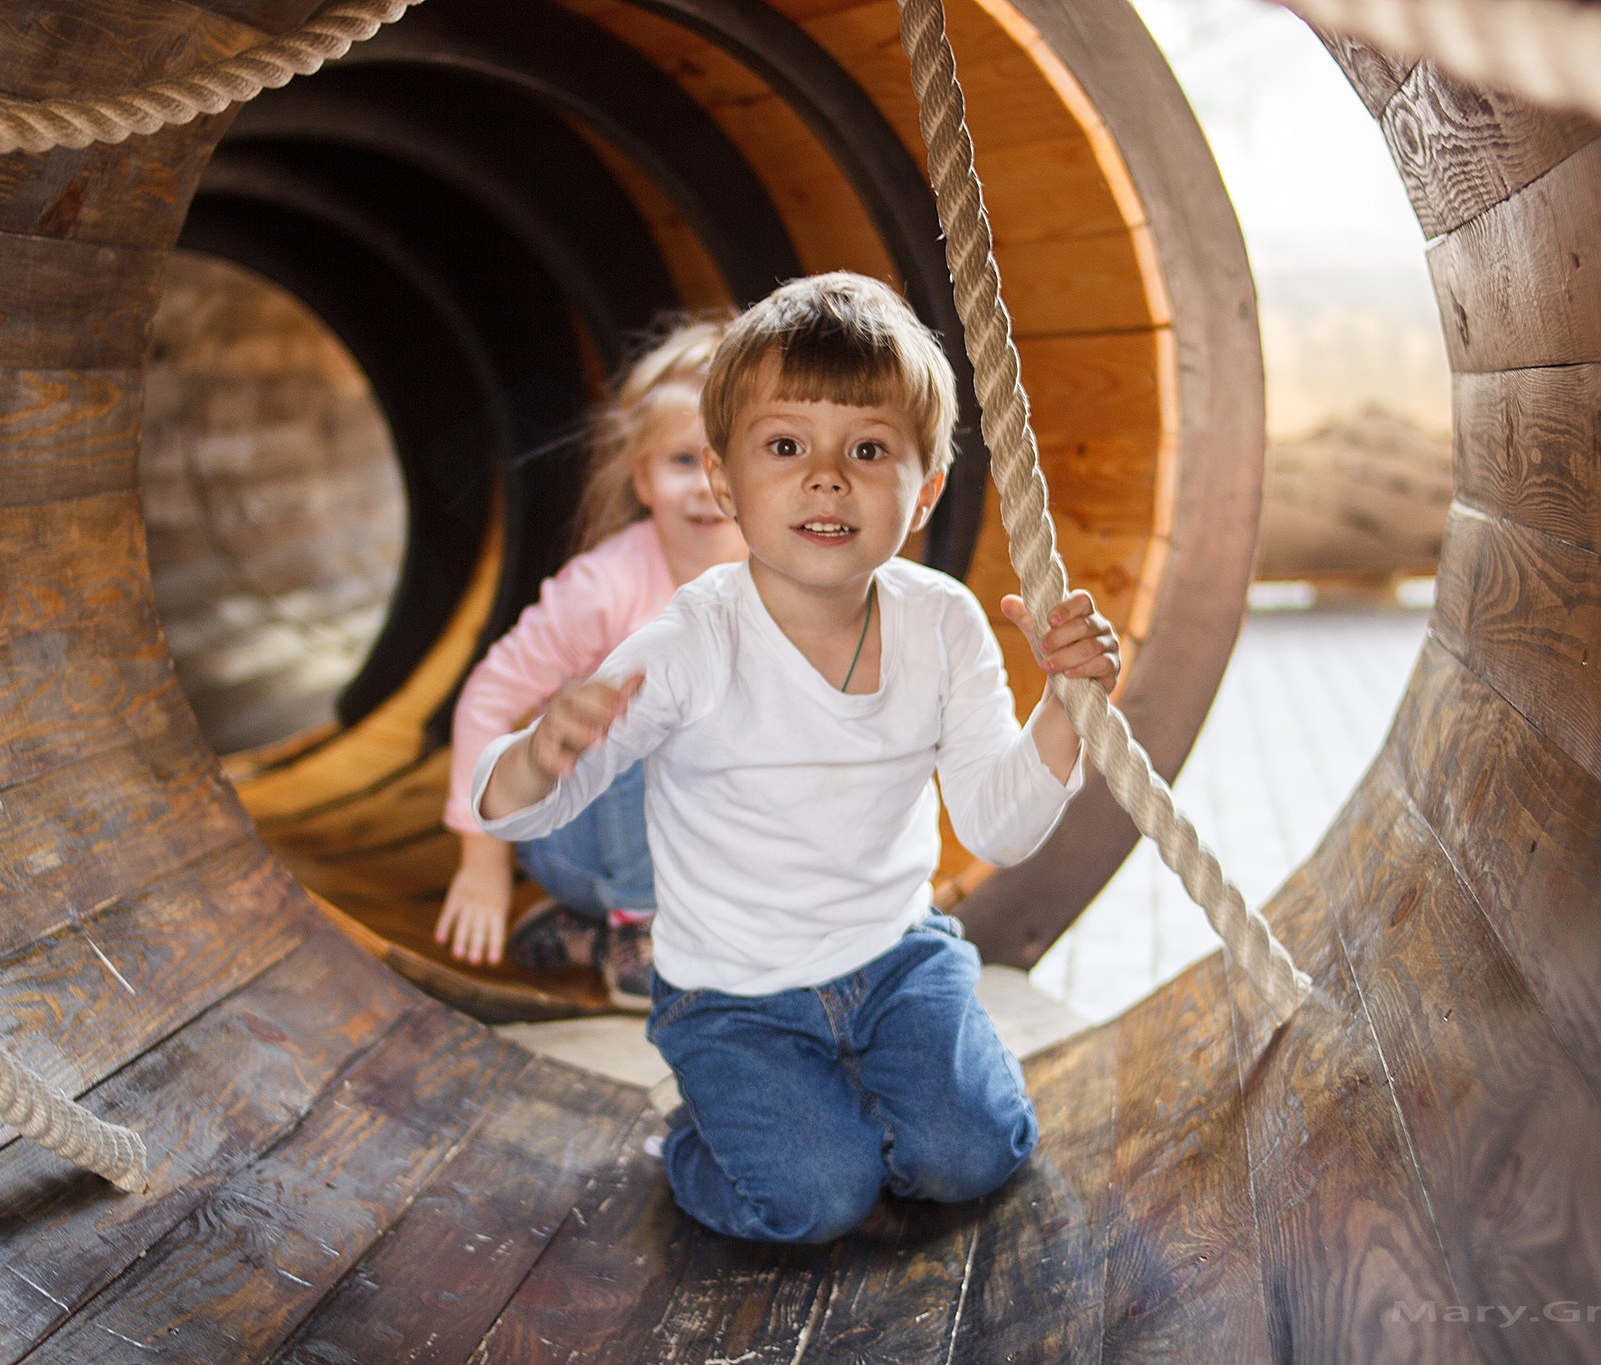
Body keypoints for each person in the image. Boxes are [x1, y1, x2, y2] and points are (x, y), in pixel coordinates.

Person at [472, 272, 1121, 1244]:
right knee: (812, 1200)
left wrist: (1064, 708)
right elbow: (513, 811)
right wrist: (542, 753)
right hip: (731, 995)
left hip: (896, 962)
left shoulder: (940, 621)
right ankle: (700, 1141)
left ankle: (839, 1104)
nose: (827, 478)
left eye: (868, 449)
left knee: (976, 1157)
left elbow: (995, 825)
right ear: (728, 484)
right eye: (785, 446)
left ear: (926, 486)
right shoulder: (691, 635)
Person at [435, 316, 746, 1008]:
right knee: (649, 702)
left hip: (711, 845)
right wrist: (482, 864)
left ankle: (588, 936)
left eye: (729, 459)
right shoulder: (604, 589)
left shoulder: (782, 578)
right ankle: (635, 928)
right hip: (583, 840)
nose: (707, 485)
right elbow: (488, 696)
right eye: (682, 461)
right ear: (642, 477)